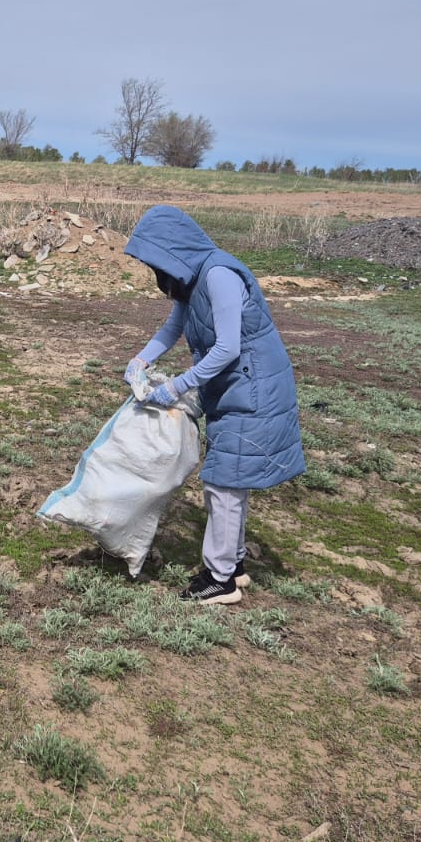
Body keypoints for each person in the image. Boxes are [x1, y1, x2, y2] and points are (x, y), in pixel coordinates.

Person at [122, 206, 305, 604]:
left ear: (173, 251)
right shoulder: (194, 277)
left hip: (254, 390)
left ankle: (219, 580)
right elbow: (175, 326)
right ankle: (233, 567)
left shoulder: (219, 275)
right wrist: (141, 359)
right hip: (234, 389)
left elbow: (227, 347)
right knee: (229, 478)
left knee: (223, 482)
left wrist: (176, 387)